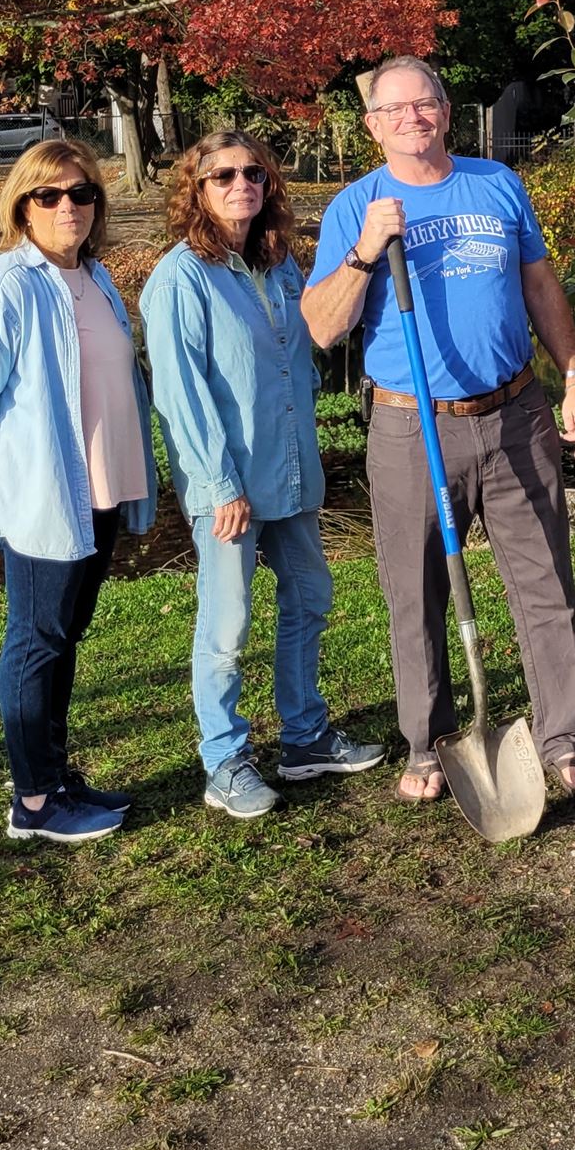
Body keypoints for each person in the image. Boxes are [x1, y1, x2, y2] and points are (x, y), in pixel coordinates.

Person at [300, 57, 575, 804]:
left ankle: (560, 734)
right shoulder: (355, 205)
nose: (413, 118)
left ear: (445, 109)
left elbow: (539, 283)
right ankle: (430, 743)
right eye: (394, 110)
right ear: (372, 126)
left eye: (426, 103)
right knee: (417, 591)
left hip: (515, 413)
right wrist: (366, 251)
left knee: (544, 582)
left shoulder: (497, 184)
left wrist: (573, 377)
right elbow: (320, 327)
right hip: (412, 427)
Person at [145, 131, 384, 820]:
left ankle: (305, 736)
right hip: (232, 487)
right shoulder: (181, 278)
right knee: (228, 625)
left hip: (289, 472)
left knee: (310, 596)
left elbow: (309, 349)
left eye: (253, 173)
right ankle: (224, 759)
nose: (240, 184)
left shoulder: (281, 267)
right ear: (195, 188)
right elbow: (181, 394)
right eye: (221, 175)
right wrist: (220, 486)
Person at [0, 142, 156, 845]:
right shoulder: (6, 286)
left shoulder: (94, 280)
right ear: (23, 207)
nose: (70, 207)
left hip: (98, 496)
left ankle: (55, 776)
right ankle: (33, 802)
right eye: (51, 196)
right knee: (35, 643)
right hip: (45, 500)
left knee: (63, 637)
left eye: (83, 193)